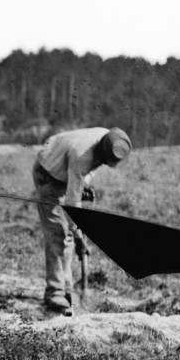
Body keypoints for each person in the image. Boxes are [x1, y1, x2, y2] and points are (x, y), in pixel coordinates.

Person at [32, 126, 131, 314]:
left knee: (66, 234)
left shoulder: (109, 139)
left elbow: (83, 176)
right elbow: (72, 203)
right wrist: (79, 235)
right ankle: (55, 292)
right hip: (48, 174)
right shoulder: (82, 156)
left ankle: (66, 288)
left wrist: (82, 186)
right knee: (58, 234)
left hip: (65, 173)